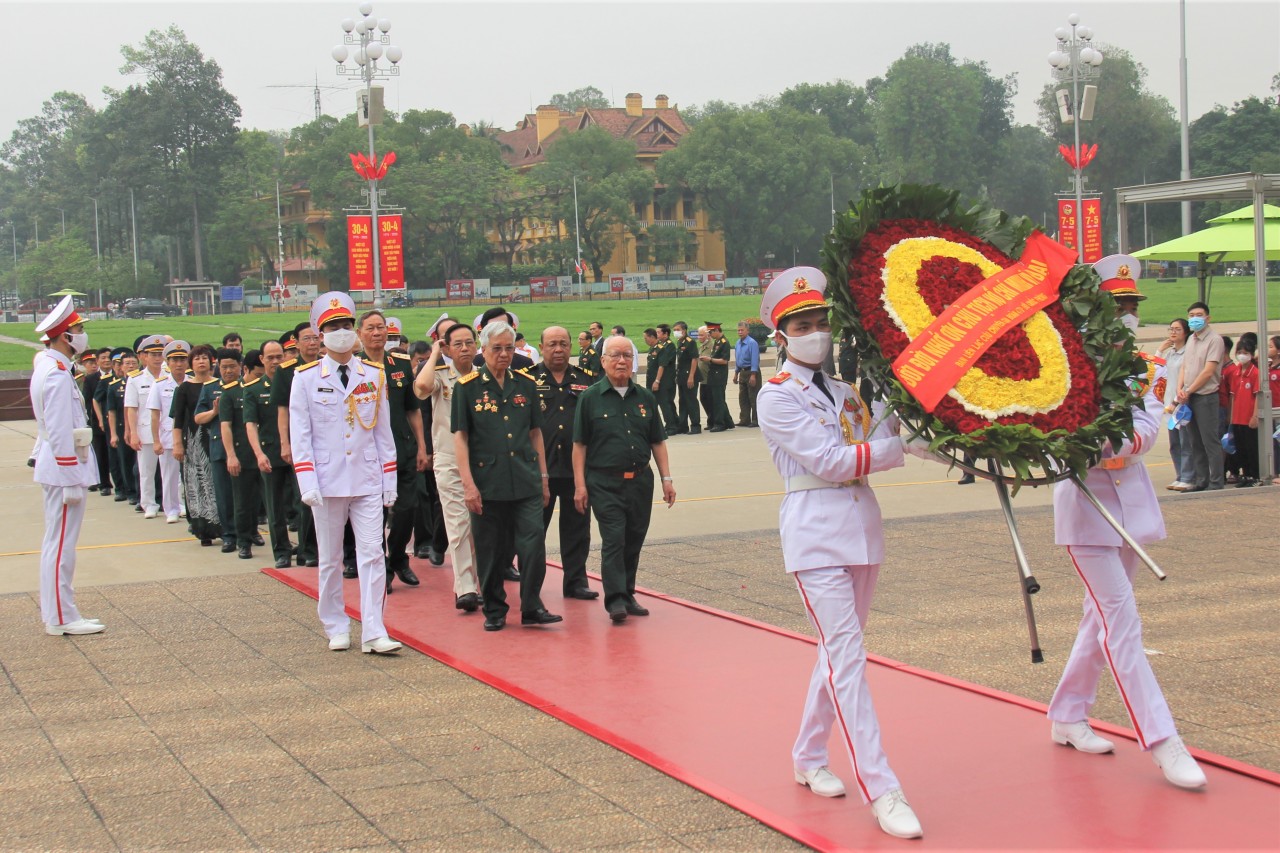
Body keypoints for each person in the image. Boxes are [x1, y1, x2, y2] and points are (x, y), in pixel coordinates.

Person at [755, 267, 923, 840]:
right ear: (781, 336)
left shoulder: (846, 391)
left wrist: (921, 411)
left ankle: (807, 754)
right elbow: (831, 461)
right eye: (802, 325)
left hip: (861, 530)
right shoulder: (775, 398)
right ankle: (882, 786)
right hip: (815, 536)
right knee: (847, 657)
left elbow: (876, 435)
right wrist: (894, 446)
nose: (816, 333)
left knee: (837, 653)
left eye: (822, 322)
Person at [1048, 378, 1207, 791]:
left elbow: (1146, 433)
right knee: (1121, 623)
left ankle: (1067, 713)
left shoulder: (1139, 373)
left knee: (1098, 621)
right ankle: (1162, 738)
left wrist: (1097, 442)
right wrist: (1093, 441)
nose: (1125, 319)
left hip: (1130, 513)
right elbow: (1058, 440)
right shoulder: (1062, 374)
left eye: (1130, 310)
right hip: (1084, 515)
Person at [289, 292, 401, 654]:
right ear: (320, 335)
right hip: (327, 480)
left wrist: (389, 481)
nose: (341, 332)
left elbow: (383, 433)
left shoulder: (373, 374)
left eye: (345, 325)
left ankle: (374, 630)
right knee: (331, 557)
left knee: (372, 553)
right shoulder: (305, 378)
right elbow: (301, 435)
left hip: (367, 479)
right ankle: (336, 624)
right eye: (332, 327)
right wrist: (307, 481)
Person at [452, 319, 561, 632]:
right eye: (496, 349)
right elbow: (461, 438)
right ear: (483, 350)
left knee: (533, 543)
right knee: (490, 550)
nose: (503, 354)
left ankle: (532, 605)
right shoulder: (467, 387)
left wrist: (543, 477)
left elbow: (536, 432)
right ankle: (496, 609)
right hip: (488, 482)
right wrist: (468, 485)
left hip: (525, 478)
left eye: (509, 348)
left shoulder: (525, 384)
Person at [572, 334, 676, 624]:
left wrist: (667, 479)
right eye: (615, 355)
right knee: (614, 539)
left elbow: (657, 441)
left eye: (627, 356)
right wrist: (580, 485)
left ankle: (628, 592)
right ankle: (615, 598)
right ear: (603, 361)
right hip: (604, 482)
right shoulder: (590, 398)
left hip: (640, 481)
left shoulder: (645, 397)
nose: (621, 361)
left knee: (633, 539)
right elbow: (579, 445)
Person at [31, 296, 104, 636]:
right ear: (64, 336)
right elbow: (60, 430)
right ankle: (62, 617)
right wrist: (72, 475)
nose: (82, 334)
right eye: (78, 329)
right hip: (63, 469)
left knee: (56, 543)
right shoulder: (57, 373)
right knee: (61, 546)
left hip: (60, 466)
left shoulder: (50, 366)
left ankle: (60, 611)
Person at [414, 320, 483, 612]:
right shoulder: (441, 375)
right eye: (457, 344)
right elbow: (421, 388)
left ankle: (476, 583)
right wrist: (434, 355)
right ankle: (465, 588)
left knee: (479, 526)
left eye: (469, 342)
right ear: (447, 348)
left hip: (482, 462)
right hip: (449, 460)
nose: (465, 348)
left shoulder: (484, 376)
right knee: (458, 524)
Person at [357, 310, 427, 590]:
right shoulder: (354, 367)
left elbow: (413, 410)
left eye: (381, 328)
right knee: (376, 515)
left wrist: (422, 445)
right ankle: (381, 568)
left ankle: (398, 558)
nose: (377, 333)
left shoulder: (398, 363)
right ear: (359, 333)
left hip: (403, 449)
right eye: (371, 328)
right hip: (369, 455)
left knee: (408, 508)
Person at [529, 326, 599, 601]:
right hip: (540, 470)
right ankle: (531, 586)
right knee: (534, 532)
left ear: (571, 346)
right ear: (541, 346)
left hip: (575, 471)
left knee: (577, 530)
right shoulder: (527, 379)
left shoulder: (586, 379)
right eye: (552, 344)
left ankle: (576, 582)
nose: (558, 349)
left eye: (563, 344)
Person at [273, 321, 323, 567]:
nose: (312, 343)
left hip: (326, 439)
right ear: (296, 342)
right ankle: (307, 550)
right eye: (307, 338)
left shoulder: (328, 364)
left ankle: (324, 547)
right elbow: (283, 410)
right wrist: (285, 443)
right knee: (306, 496)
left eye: (316, 338)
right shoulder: (287, 371)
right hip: (301, 440)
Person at [243, 340, 291, 567]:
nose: (275, 362)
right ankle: (281, 551)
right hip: (271, 453)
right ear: (261, 359)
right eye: (269, 357)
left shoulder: (295, 382)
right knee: (275, 508)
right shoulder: (253, 390)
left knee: (304, 504)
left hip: (296, 452)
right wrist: (259, 454)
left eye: (278, 356)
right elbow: (250, 425)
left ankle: (308, 550)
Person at [171, 344, 221, 546]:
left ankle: (223, 525)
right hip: (194, 442)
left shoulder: (219, 384)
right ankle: (203, 529)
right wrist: (177, 445)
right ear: (191, 363)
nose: (201, 361)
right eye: (197, 358)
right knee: (197, 483)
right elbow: (178, 419)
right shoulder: (184, 388)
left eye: (204, 358)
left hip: (217, 439)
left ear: (211, 362)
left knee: (217, 484)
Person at [1175, 302, 1225, 491]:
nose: (1195, 318)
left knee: (1209, 441)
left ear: (1207, 318)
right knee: (1194, 441)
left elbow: (1208, 371)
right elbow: (1185, 366)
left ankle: (1216, 481)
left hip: (1205, 396)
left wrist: (1188, 390)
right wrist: (1180, 388)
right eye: (1191, 315)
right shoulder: (1191, 340)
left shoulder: (1214, 340)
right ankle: (1201, 480)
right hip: (1189, 397)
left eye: (1199, 314)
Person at [124, 335, 170, 519]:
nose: (158, 358)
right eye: (153, 354)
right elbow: (132, 409)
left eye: (161, 354)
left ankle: (174, 503)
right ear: (144, 357)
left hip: (167, 430)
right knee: (146, 471)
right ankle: (149, 504)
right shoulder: (135, 379)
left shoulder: (170, 376)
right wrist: (133, 433)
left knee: (171, 472)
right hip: (145, 431)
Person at [147, 341, 189, 524]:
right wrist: (156, 441)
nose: (179, 364)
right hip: (168, 435)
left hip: (190, 435)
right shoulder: (159, 385)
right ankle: (171, 508)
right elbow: (155, 415)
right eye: (175, 360)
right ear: (168, 362)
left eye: (182, 359)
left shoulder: (193, 381)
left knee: (189, 475)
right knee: (169, 475)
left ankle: (185, 506)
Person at [1157, 319, 1194, 491]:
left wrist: (1176, 400)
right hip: (1168, 405)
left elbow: (1187, 377)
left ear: (1185, 332)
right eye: (1171, 329)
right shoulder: (1171, 353)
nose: (1173, 332)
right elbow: (1157, 371)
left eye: (1177, 329)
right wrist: (1160, 350)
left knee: (1185, 441)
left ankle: (1188, 476)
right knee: (1174, 443)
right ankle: (1179, 474)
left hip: (1181, 403)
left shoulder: (1188, 353)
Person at [1223, 334, 1262, 487]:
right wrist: (1230, 416)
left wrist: (1255, 416)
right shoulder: (1236, 372)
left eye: (1246, 353)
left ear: (1252, 355)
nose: (1242, 356)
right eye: (1240, 352)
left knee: (1251, 447)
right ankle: (1245, 475)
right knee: (1240, 448)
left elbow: (1257, 395)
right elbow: (1232, 395)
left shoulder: (1255, 373)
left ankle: (1255, 475)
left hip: (1248, 417)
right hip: (1237, 417)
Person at [107, 350, 140, 506]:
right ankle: (131, 492)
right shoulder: (115, 387)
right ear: (121, 366)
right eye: (127, 363)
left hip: (140, 427)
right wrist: (113, 433)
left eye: (133, 363)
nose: (131, 366)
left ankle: (141, 492)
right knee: (125, 461)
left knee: (139, 464)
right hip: (122, 428)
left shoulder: (143, 382)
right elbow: (111, 411)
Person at [701, 322, 734, 432]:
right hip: (713, 375)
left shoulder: (724, 343)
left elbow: (724, 361)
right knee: (715, 399)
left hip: (719, 375)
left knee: (718, 400)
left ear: (716, 330)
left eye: (710, 332)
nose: (709, 335)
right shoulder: (717, 342)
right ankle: (727, 421)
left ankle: (720, 423)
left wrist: (709, 359)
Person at [673, 321, 701, 435]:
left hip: (690, 376)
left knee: (691, 401)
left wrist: (691, 377)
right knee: (682, 401)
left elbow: (694, 359)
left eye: (677, 330)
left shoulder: (690, 342)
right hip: (681, 377)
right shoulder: (680, 342)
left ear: (684, 331)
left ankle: (695, 426)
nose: (675, 332)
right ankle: (683, 425)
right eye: (674, 330)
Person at [734, 320, 761, 427]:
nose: (740, 332)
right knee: (743, 397)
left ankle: (756, 420)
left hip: (751, 371)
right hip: (742, 372)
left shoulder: (752, 343)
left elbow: (755, 359)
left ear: (747, 331)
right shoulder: (737, 343)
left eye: (742, 330)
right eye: (738, 330)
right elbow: (737, 359)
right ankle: (744, 419)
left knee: (753, 397)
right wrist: (736, 373)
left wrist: (753, 375)